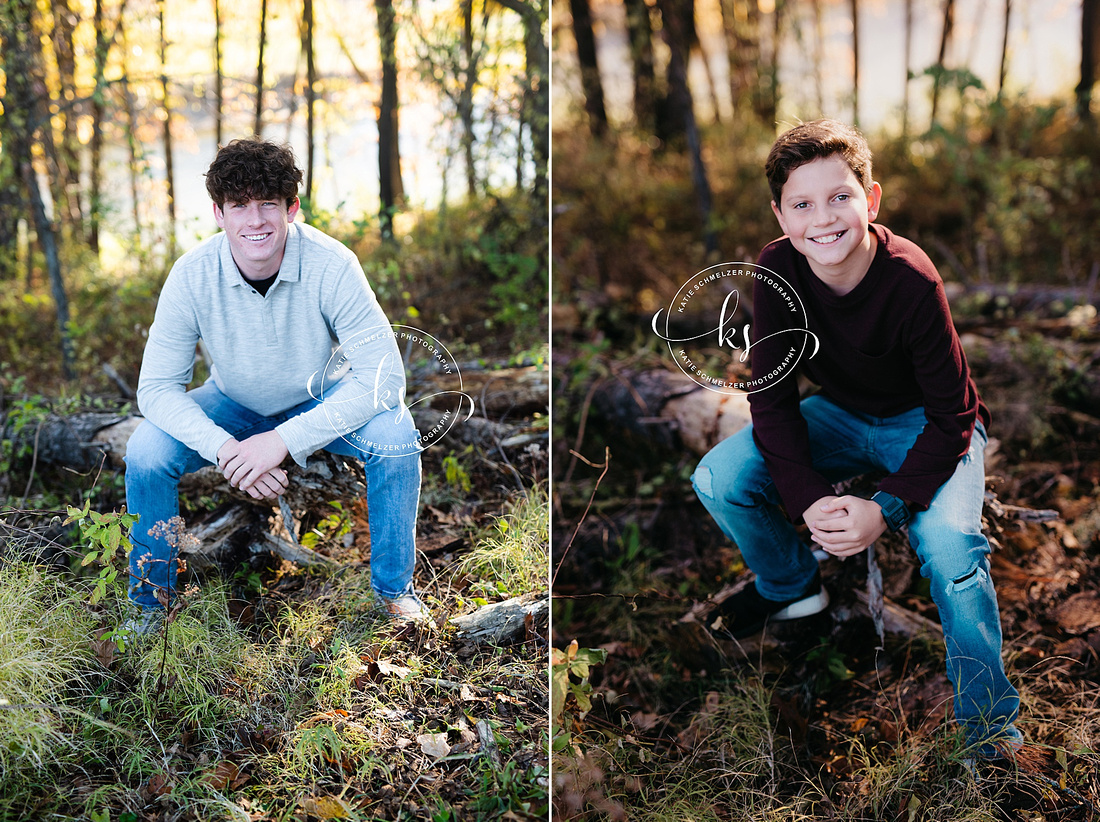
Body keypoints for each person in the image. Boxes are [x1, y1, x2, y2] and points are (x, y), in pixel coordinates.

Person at [692, 119, 1021, 759]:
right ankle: (794, 592)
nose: (824, 218)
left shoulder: (911, 278)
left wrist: (886, 507)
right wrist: (808, 498)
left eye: (840, 196)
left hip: (926, 422)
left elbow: (953, 413)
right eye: (802, 203)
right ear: (780, 214)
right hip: (840, 413)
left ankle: (990, 732)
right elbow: (774, 398)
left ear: (871, 200)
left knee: (952, 548)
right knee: (719, 479)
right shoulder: (777, 272)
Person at [124, 137, 428, 635]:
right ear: (219, 214)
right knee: (146, 451)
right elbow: (156, 388)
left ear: (293, 208)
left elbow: (384, 374)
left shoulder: (332, 264)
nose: (256, 220)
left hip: (320, 401)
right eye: (239, 205)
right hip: (232, 405)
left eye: (268, 204)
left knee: (396, 435)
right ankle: (154, 606)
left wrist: (280, 443)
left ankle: (394, 594)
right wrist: (228, 450)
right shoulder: (191, 276)